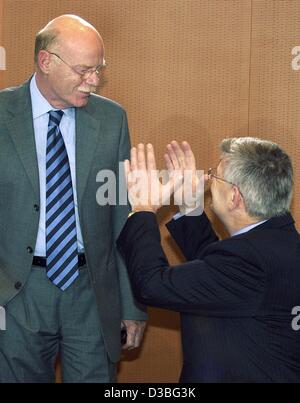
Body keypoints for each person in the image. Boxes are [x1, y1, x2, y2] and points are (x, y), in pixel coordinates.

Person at [0, 14, 146, 383]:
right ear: (45, 61)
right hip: (16, 295)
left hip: (91, 292)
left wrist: (131, 304)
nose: (94, 81)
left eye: (99, 69)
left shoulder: (112, 120)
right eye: (84, 70)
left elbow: (121, 215)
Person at [117, 138, 300, 382]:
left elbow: (152, 284)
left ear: (234, 197)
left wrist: (143, 209)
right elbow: (218, 278)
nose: (208, 181)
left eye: (215, 175)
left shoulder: (250, 262)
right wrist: (190, 208)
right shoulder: (279, 244)